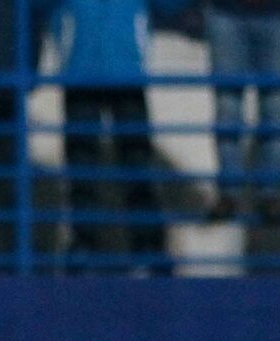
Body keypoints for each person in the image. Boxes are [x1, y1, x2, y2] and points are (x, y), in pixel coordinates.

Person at [44, 0, 191, 275]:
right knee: (82, 168)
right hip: (80, 71)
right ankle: (85, 248)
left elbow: (171, 7)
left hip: (126, 71)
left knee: (137, 164)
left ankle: (147, 248)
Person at [202, 0, 280, 224]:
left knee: (275, 108)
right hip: (225, 11)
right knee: (228, 108)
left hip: (277, 12)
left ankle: (269, 195)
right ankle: (230, 194)